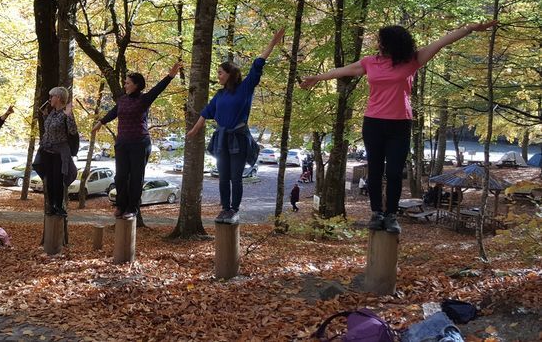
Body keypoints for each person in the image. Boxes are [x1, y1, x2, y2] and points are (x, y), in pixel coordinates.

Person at [300, 21, 495, 234]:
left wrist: (470, 29)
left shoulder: (412, 61)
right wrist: (317, 78)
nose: (378, 44)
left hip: (400, 124)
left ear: (391, 43)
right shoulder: (369, 63)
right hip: (373, 123)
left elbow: (441, 42)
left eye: (381, 40)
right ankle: (377, 213)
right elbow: (342, 71)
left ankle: (391, 215)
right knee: (374, 170)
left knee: (394, 172)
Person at [187, 28, 286, 224]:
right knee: (223, 177)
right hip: (222, 140)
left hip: (239, 139)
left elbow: (258, 65)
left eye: (221, 72)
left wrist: (272, 43)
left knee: (235, 177)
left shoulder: (245, 88)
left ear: (231, 74)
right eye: (217, 73)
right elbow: (206, 112)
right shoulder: (220, 95)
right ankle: (224, 209)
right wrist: (195, 130)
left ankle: (234, 209)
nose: (218, 75)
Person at [92, 61, 182, 219]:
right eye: (125, 82)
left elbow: (158, 89)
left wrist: (170, 76)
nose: (125, 85)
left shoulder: (144, 99)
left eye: (127, 83)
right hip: (122, 143)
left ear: (136, 85)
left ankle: (132, 208)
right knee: (120, 177)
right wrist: (100, 122)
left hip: (139, 144)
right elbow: (114, 111)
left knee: (135, 177)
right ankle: (121, 205)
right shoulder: (122, 100)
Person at [33, 87, 78, 217]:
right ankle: (51, 205)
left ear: (58, 98)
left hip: (59, 153)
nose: (50, 99)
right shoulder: (52, 113)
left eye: (51, 96)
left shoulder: (66, 113)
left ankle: (59, 206)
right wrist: (45, 115)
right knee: (49, 180)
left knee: (58, 180)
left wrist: (69, 115)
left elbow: (73, 131)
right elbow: (50, 130)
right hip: (47, 152)